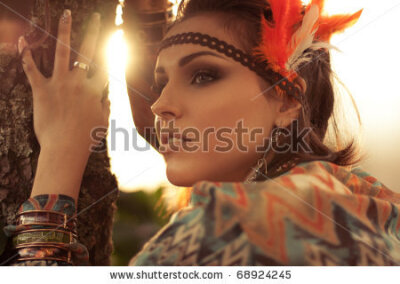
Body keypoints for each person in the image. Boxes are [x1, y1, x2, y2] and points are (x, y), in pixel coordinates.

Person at [1, 0, 399, 266]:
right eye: (161, 83)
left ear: (287, 100)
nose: (160, 105)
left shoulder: (237, 223)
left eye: (204, 75)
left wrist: (59, 154)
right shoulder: (366, 199)